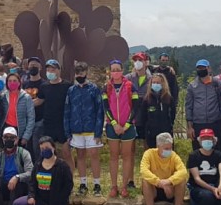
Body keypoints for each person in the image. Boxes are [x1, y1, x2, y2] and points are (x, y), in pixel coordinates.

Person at [12, 136, 74, 205]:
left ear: (53, 147)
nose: (44, 150)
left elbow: (68, 186)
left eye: (47, 148)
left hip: (57, 203)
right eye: (42, 149)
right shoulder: (38, 165)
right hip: (40, 200)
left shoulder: (62, 166)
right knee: (17, 204)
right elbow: (32, 183)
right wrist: (31, 196)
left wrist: (57, 201)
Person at [65, 61, 104, 196]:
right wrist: (68, 132)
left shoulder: (94, 89)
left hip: (91, 128)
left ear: (86, 73)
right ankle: (83, 184)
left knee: (94, 155)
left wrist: (98, 131)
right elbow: (67, 111)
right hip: (76, 129)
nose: (79, 75)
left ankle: (97, 185)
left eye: (81, 73)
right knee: (80, 156)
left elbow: (100, 111)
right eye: (77, 73)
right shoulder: (71, 90)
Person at [102, 60, 138, 197]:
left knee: (127, 156)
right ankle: (113, 186)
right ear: (110, 72)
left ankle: (124, 187)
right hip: (112, 126)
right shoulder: (106, 87)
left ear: (122, 70)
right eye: (113, 69)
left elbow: (135, 107)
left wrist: (127, 125)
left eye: (118, 69)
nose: (115, 72)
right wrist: (114, 123)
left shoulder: (130, 86)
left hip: (128, 126)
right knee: (113, 156)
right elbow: (106, 107)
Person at [138, 132, 188, 205]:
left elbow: (183, 171)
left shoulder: (174, 156)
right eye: (166, 149)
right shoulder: (149, 154)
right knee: (145, 180)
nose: (169, 151)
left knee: (181, 180)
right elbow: (143, 171)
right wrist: (159, 182)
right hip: (154, 190)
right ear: (158, 146)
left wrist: (169, 181)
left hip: (170, 190)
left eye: (170, 148)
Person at [185, 59, 221, 154]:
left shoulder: (218, 84)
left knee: (217, 150)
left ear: (208, 68)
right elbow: (188, 106)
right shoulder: (192, 86)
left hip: (215, 123)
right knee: (198, 151)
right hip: (198, 123)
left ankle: (219, 168)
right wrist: (190, 127)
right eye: (198, 68)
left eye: (203, 67)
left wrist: (220, 115)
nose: (200, 69)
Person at [36, 59, 72, 162]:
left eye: (53, 69)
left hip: (63, 124)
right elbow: (39, 101)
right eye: (48, 69)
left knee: (66, 153)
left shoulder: (67, 86)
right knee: (48, 153)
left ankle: (70, 177)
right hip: (48, 124)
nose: (50, 72)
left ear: (59, 70)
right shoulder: (44, 86)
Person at [186, 131, 221, 205]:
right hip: (199, 187)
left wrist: (220, 186)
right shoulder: (193, 155)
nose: (207, 141)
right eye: (204, 138)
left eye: (209, 138)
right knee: (207, 195)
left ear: (214, 140)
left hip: (215, 183)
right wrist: (212, 189)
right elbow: (197, 179)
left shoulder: (218, 154)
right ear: (200, 141)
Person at [137, 72, 176, 149]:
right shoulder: (147, 99)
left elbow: (173, 114)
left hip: (166, 132)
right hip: (151, 133)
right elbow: (143, 116)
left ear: (163, 84)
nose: (156, 84)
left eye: (158, 82)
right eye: (154, 82)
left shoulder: (168, 98)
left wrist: (169, 126)